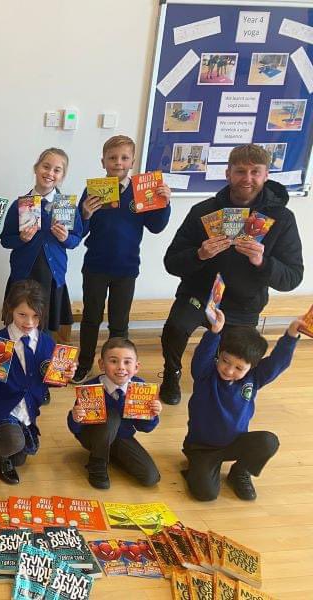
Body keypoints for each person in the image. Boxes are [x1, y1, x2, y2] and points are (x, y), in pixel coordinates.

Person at [159, 144, 303, 405]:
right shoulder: (204, 211)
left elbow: (293, 277)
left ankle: (224, 385)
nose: (247, 179)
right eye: (240, 171)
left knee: (239, 355)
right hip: (199, 294)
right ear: (228, 174)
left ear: (266, 175)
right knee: (175, 328)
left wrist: (263, 261)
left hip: (244, 303)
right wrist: (199, 254)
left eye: (255, 172)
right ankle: (172, 373)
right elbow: (171, 262)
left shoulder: (282, 219)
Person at [73, 135, 172, 383]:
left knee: (119, 323)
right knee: (91, 318)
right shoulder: (92, 190)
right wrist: (84, 213)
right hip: (95, 266)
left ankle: (117, 368)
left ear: (132, 161)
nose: (118, 162)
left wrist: (164, 203)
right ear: (103, 161)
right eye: (112, 158)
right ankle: (84, 364)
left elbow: (156, 227)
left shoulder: (142, 192)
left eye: (124, 158)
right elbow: (79, 231)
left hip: (126, 269)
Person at [182, 308, 301, 501]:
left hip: (235, 443)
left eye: (239, 368)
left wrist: (291, 334)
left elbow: (277, 363)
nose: (229, 370)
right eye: (225, 361)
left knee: (268, 441)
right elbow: (201, 357)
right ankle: (199, 469)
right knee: (205, 494)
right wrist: (214, 333)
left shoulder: (254, 378)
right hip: (201, 447)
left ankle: (240, 471)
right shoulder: (205, 374)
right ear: (219, 356)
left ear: (252, 367)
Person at [0, 280, 76, 484]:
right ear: (10, 310)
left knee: (20, 457)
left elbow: (48, 380)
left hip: (28, 406)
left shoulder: (47, 342)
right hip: (1, 403)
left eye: (35, 316)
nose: (29, 322)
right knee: (14, 442)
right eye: (22, 315)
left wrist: (64, 376)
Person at [0, 148, 83, 334]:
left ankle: (41, 361)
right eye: (46, 166)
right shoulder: (21, 204)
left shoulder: (66, 206)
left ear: (62, 176)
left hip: (52, 276)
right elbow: (5, 240)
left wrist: (65, 238)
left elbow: (76, 239)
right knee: (18, 325)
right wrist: (21, 239)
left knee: (44, 327)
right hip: (24, 275)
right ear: (36, 168)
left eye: (57, 170)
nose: (50, 173)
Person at [68, 338, 162, 489]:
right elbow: (76, 429)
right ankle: (97, 462)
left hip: (121, 437)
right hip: (92, 436)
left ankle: (110, 452)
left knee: (151, 477)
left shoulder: (141, 388)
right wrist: (75, 417)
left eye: (127, 362)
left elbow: (144, 427)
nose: (121, 367)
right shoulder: (91, 387)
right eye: (113, 361)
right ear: (101, 364)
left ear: (136, 366)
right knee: (111, 415)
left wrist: (152, 415)